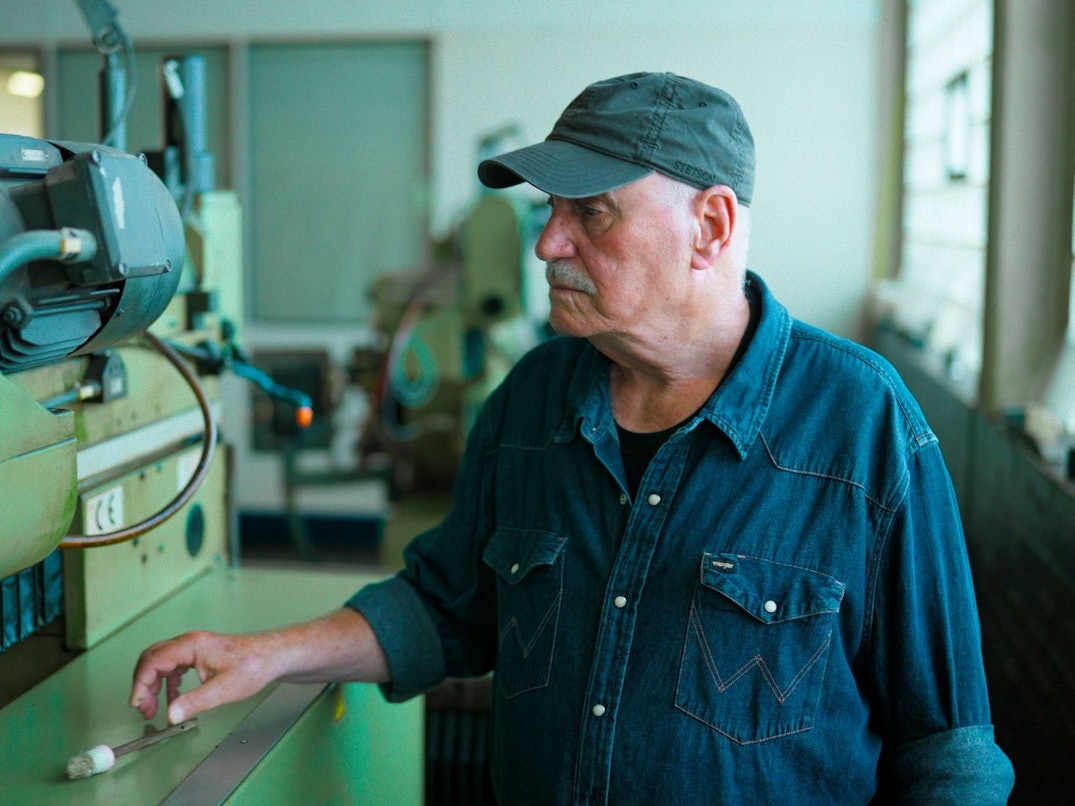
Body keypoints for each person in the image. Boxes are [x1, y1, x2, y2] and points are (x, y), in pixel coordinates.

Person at [130, 72, 1015, 803]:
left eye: (592, 212)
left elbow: (947, 760)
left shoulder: (861, 425)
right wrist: (264, 656)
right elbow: (447, 604)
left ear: (708, 226)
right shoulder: (532, 403)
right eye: (551, 209)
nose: (548, 241)